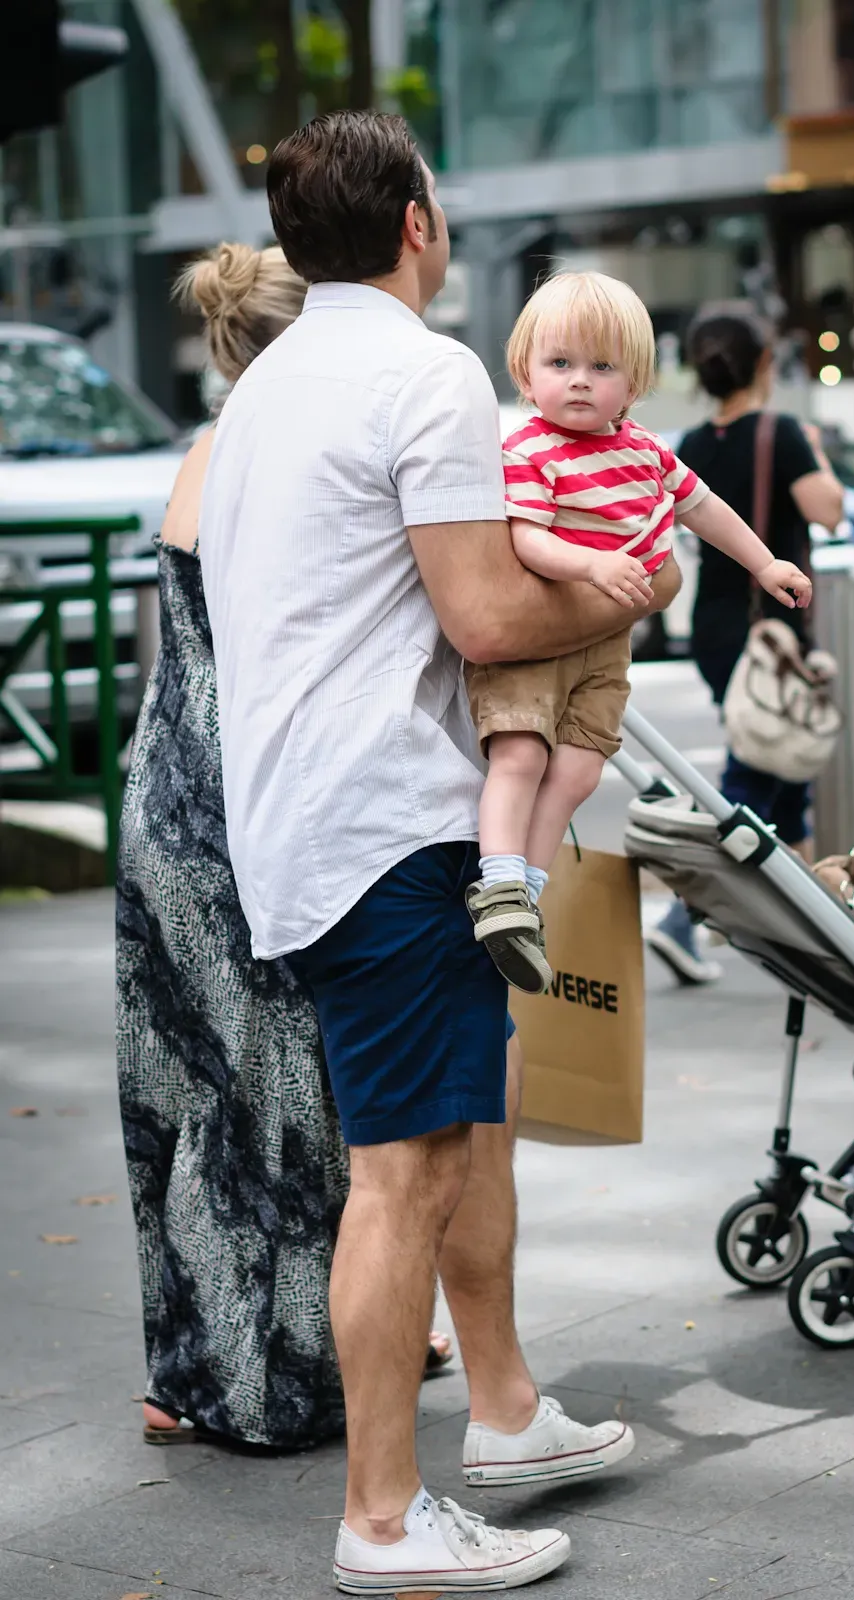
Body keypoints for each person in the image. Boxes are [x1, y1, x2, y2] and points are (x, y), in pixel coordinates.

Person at [198, 111, 684, 1595]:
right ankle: (386, 1521)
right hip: (392, 822)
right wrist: (629, 591)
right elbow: (485, 618)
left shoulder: (272, 382)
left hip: (305, 813)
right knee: (401, 1170)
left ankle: (507, 1415)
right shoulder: (423, 370)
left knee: (474, 1117)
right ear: (415, 222)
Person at [115, 241, 450, 1454]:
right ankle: (280, 1373)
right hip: (246, 796)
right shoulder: (293, 448)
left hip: (161, 787)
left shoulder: (209, 450)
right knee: (287, 1096)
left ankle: (184, 1370)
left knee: (189, 1095)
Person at [465, 271, 813, 995]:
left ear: (636, 382)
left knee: (580, 770)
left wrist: (764, 561)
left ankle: (522, 900)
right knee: (521, 754)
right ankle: (497, 885)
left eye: (602, 367)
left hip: (605, 645)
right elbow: (527, 540)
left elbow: (703, 507)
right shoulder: (528, 449)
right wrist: (593, 564)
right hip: (539, 634)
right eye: (560, 364)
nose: (581, 383)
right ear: (524, 371)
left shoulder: (645, 451)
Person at [647, 306, 844, 983]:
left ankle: (808, 928)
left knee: (777, 772)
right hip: (770, 628)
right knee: (751, 776)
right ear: (764, 361)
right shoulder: (780, 431)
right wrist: (812, 450)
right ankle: (682, 918)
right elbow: (827, 509)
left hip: (715, 625)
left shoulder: (694, 442)